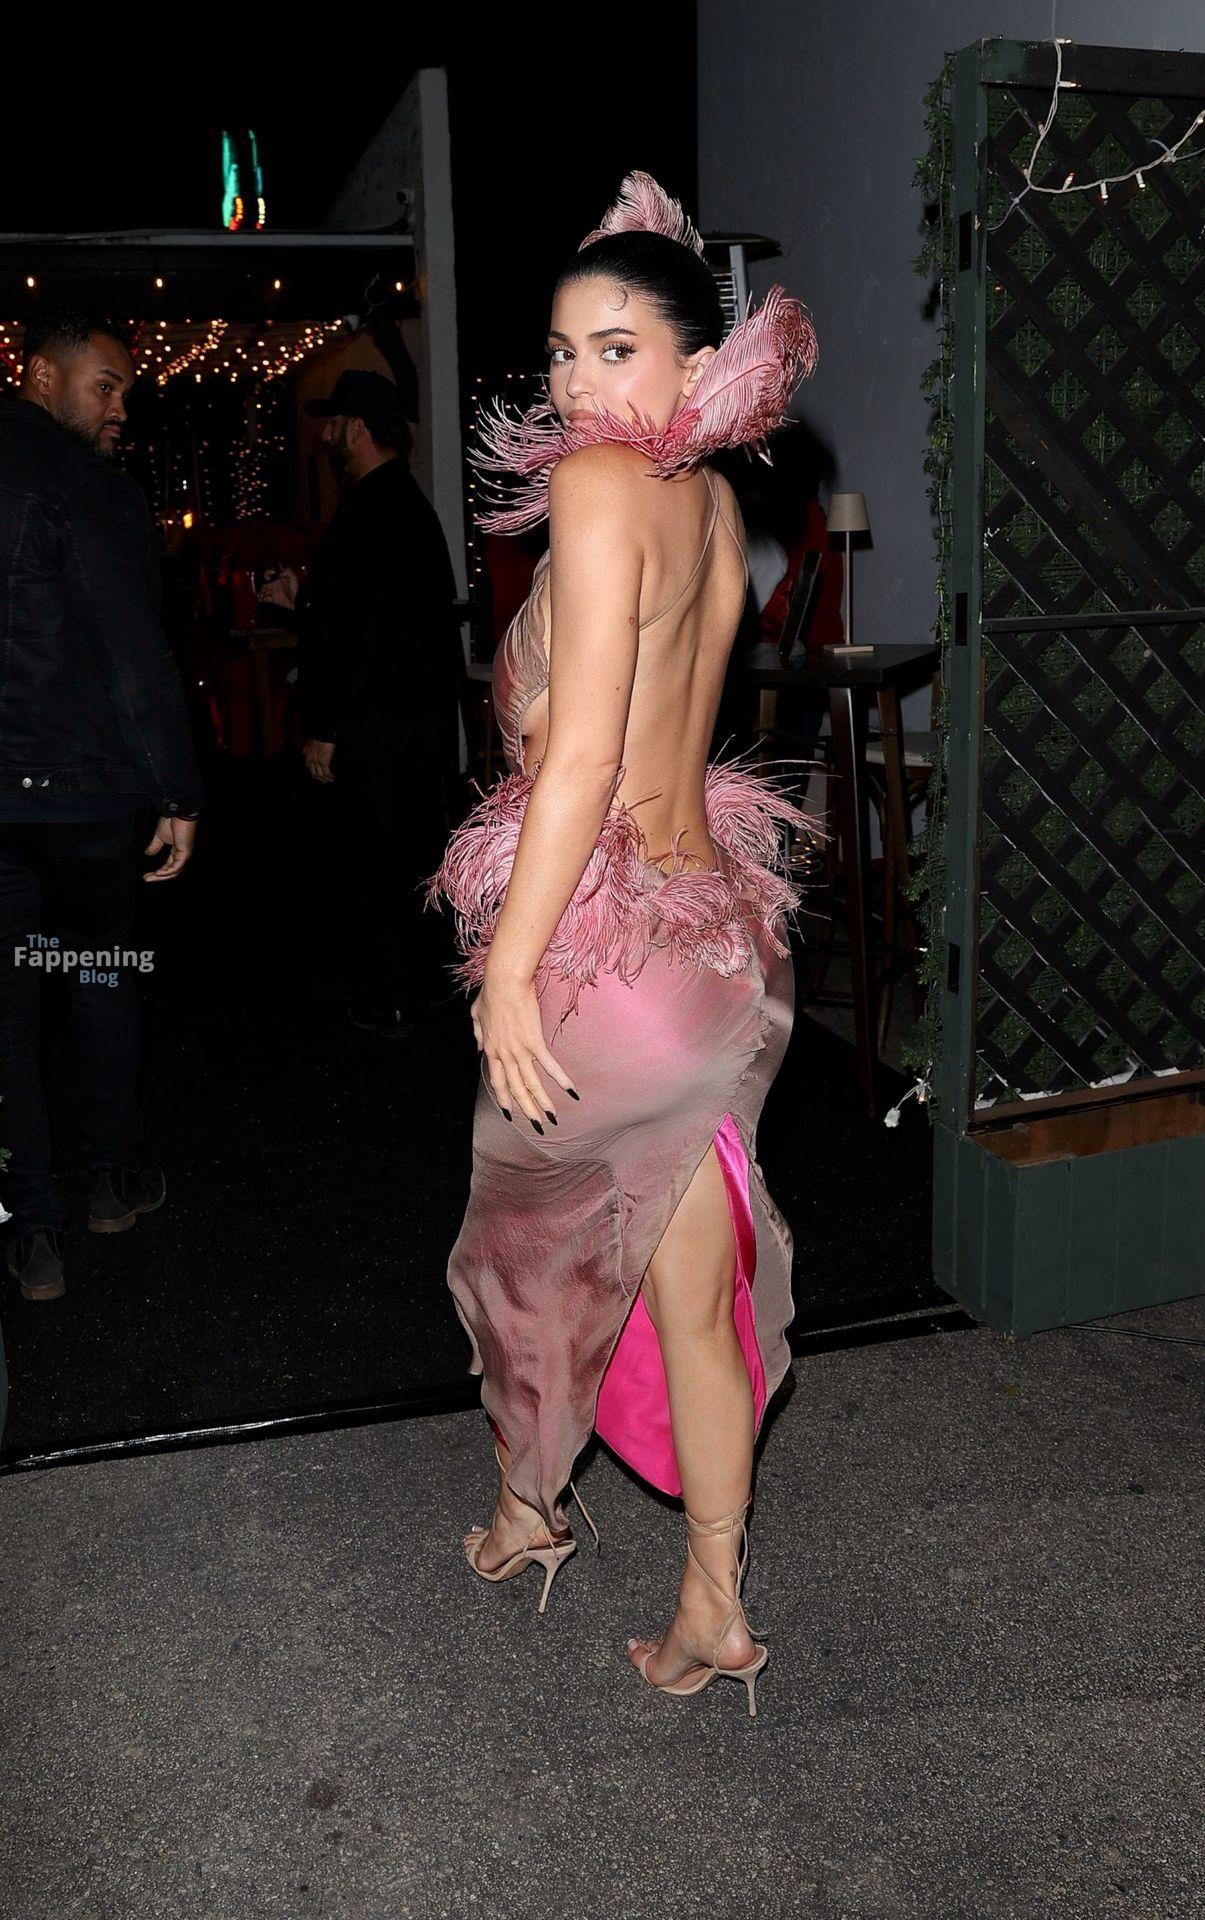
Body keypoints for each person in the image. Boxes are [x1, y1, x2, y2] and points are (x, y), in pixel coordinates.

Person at [427, 172, 818, 1715]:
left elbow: (579, 759)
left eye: (616, 350)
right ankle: (712, 1604)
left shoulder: (596, 494)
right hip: (724, 951)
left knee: (525, 1264)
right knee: (686, 1287)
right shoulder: (712, 506)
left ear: (694, 362)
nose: (579, 385)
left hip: (616, 962)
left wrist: (514, 972)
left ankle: (529, 1511)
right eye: (559, 354)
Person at [0, 311, 204, 1302]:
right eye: (106, 385)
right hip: (81, 798)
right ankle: (113, 1181)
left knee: (8, 1007)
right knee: (96, 976)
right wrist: (177, 789)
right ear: (42, 375)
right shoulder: (90, 489)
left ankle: (30, 1224)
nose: (122, 406)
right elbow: (134, 656)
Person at [260, 369, 461, 1037]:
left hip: (376, 726)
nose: (324, 436)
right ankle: (426, 986)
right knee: (415, 855)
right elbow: (381, 616)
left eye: (332, 424)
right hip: (416, 721)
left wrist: (326, 727)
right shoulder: (405, 504)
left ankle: (387, 998)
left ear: (354, 428)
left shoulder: (369, 510)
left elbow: (357, 636)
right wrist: (305, 602)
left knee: (374, 863)